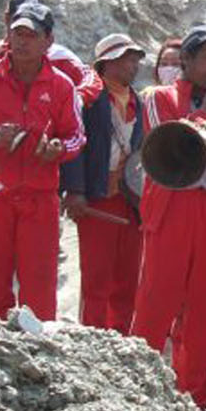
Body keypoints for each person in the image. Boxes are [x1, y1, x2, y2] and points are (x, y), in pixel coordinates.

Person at [131, 24, 206, 409]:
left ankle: (193, 397)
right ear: (188, 61)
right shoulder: (158, 97)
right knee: (155, 304)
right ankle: (138, 392)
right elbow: (167, 141)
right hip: (173, 207)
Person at [0, 2, 86, 322]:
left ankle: (39, 352)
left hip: (40, 195)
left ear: (48, 42)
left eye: (31, 35)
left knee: (39, 282)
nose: (22, 42)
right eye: (17, 33)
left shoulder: (61, 86)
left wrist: (57, 149)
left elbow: (76, 136)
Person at [62, 34, 147, 332]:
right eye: (127, 59)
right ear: (106, 63)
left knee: (127, 277)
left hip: (129, 200)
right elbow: (74, 144)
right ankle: (94, 337)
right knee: (97, 277)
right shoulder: (87, 99)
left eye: (136, 60)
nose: (133, 65)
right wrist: (75, 190)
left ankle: (121, 337)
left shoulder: (138, 101)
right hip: (98, 197)